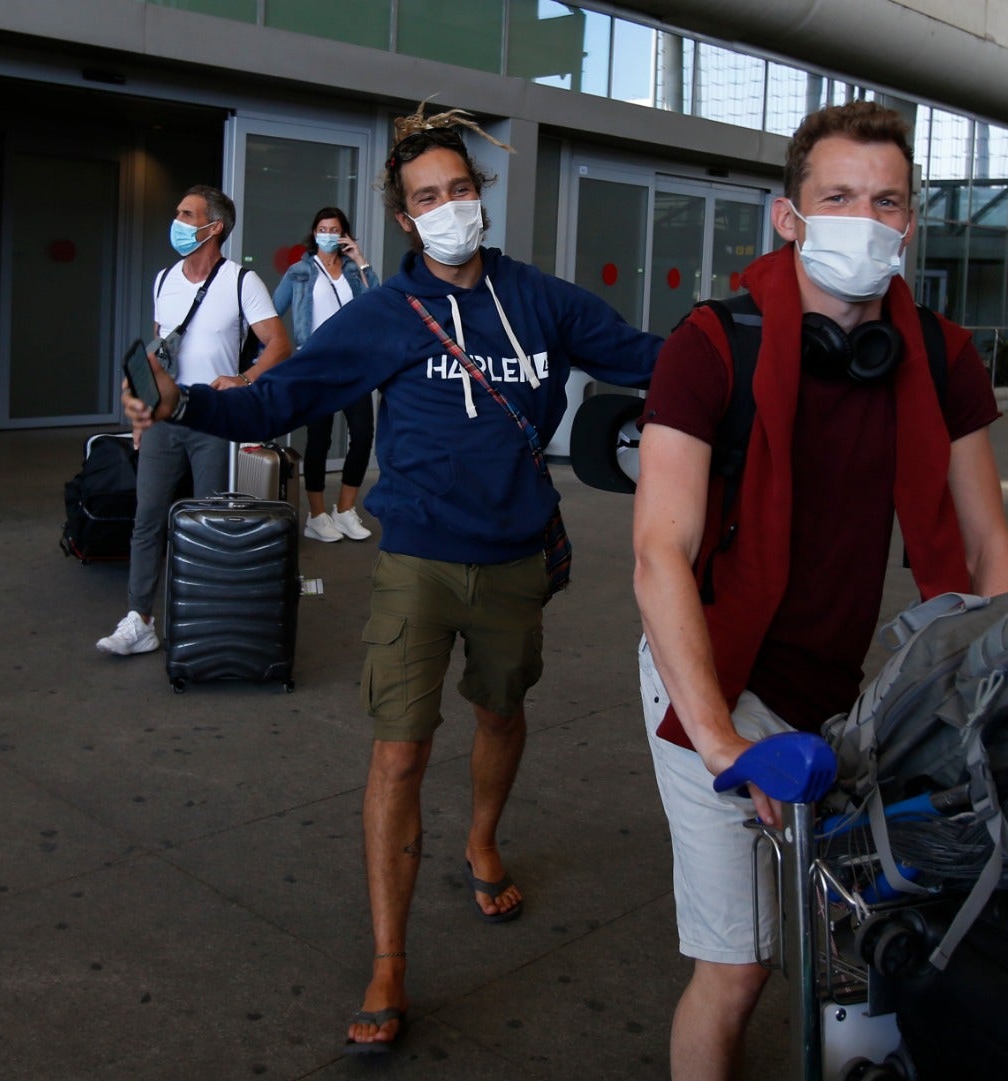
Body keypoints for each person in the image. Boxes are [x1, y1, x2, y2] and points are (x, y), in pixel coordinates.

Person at [121, 104, 662, 1055]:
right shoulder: (385, 314)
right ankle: (389, 961)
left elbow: (654, 359)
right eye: (427, 197)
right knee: (399, 752)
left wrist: (765, 338)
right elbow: (291, 392)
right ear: (405, 220)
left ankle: (483, 839)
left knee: (502, 711)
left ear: (479, 197)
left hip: (517, 555)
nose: (449, 206)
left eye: (460, 188)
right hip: (414, 556)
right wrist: (186, 402)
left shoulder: (544, 301)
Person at [631, 101, 1008, 1081]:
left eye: (885, 199)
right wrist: (726, 741)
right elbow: (657, 554)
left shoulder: (939, 356)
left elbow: (986, 544)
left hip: (845, 686)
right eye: (837, 196)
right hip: (711, 675)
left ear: (909, 221)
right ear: (789, 216)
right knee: (738, 967)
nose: (864, 216)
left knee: (867, 931)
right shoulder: (710, 346)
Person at [96, 184, 290, 657]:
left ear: (214, 226)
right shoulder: (163, 279)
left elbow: (281, 345)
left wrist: (244, 378)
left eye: (187, 214)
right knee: (147, 519)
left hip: (215, 420)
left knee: (209, 521)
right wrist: (142, 416)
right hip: (166, 418)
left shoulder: (242, 282)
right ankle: (139, 619)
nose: (178, 221)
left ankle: (205, 619)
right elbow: (160, 349)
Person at [272, 207, 380, 543]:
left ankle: (345, 510)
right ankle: (316, 516)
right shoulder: (300, 272)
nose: (328, 234)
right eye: (322, 228)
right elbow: (273, 312)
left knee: (362, 434)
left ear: (344, 234)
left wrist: (360, 258)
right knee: (319, 439)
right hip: (316, 366)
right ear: (314, 232)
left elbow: (376, 302)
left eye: (335, 229)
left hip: (352, 364)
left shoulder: (352, 270)